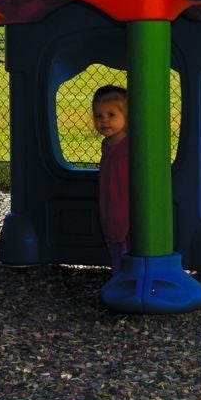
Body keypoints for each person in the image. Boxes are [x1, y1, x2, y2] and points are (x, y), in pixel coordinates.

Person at [91, 84, 129, 271]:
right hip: (111, 209)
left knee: (126, 254)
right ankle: (119, 283)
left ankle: (126, 286)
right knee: (116, 252)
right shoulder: (108, 144)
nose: (104, 120)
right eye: (99, 115)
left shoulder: (130, 146)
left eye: (111, 115)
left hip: (128, 214)